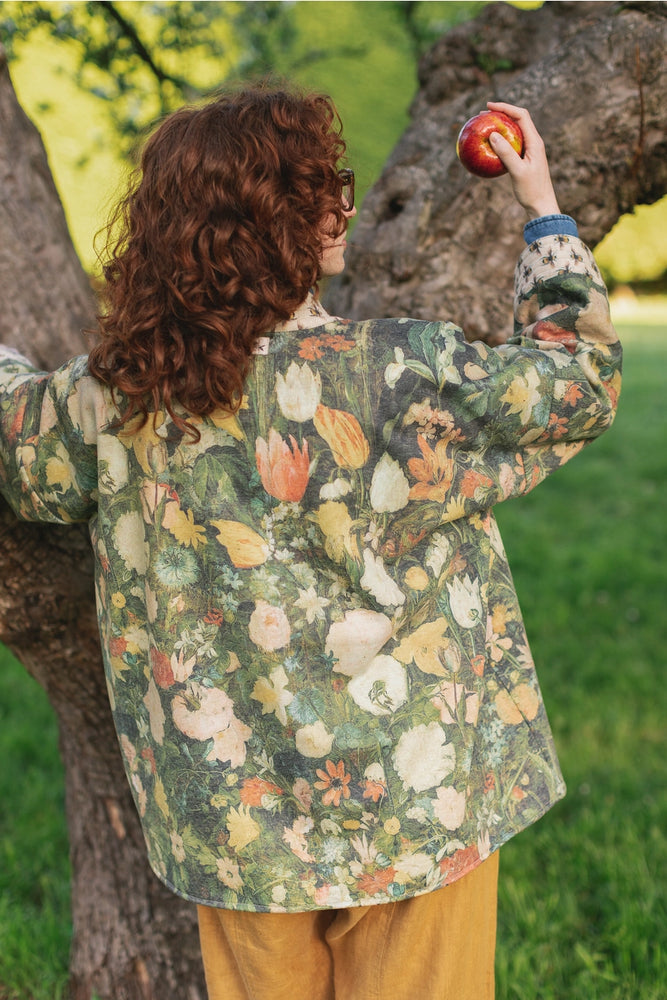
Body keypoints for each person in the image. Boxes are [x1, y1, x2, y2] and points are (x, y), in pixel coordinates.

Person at [0, 88, 621, 1000]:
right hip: (417, 802)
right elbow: (579, 381)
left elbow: (16, 436)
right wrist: (542, 212)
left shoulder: (117, 397)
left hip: (235, 823)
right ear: (274, 220)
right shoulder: (403, 373)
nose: (347, 205)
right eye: (324, 187)